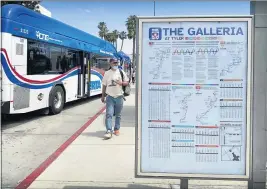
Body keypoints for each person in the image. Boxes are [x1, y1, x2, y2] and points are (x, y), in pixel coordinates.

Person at [101, 58, 129, 139]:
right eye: (114, 63)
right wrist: (103, 96)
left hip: (119, 96)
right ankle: (109, 130)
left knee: (118, 115)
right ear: (110, 64)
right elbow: (104, 85)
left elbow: (127, 82)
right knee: (109, 114)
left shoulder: (121, 72)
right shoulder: (107, 73)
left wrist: (121, 83)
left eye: (117, 63)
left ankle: (116, 129)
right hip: (110, 97)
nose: (116, 64)